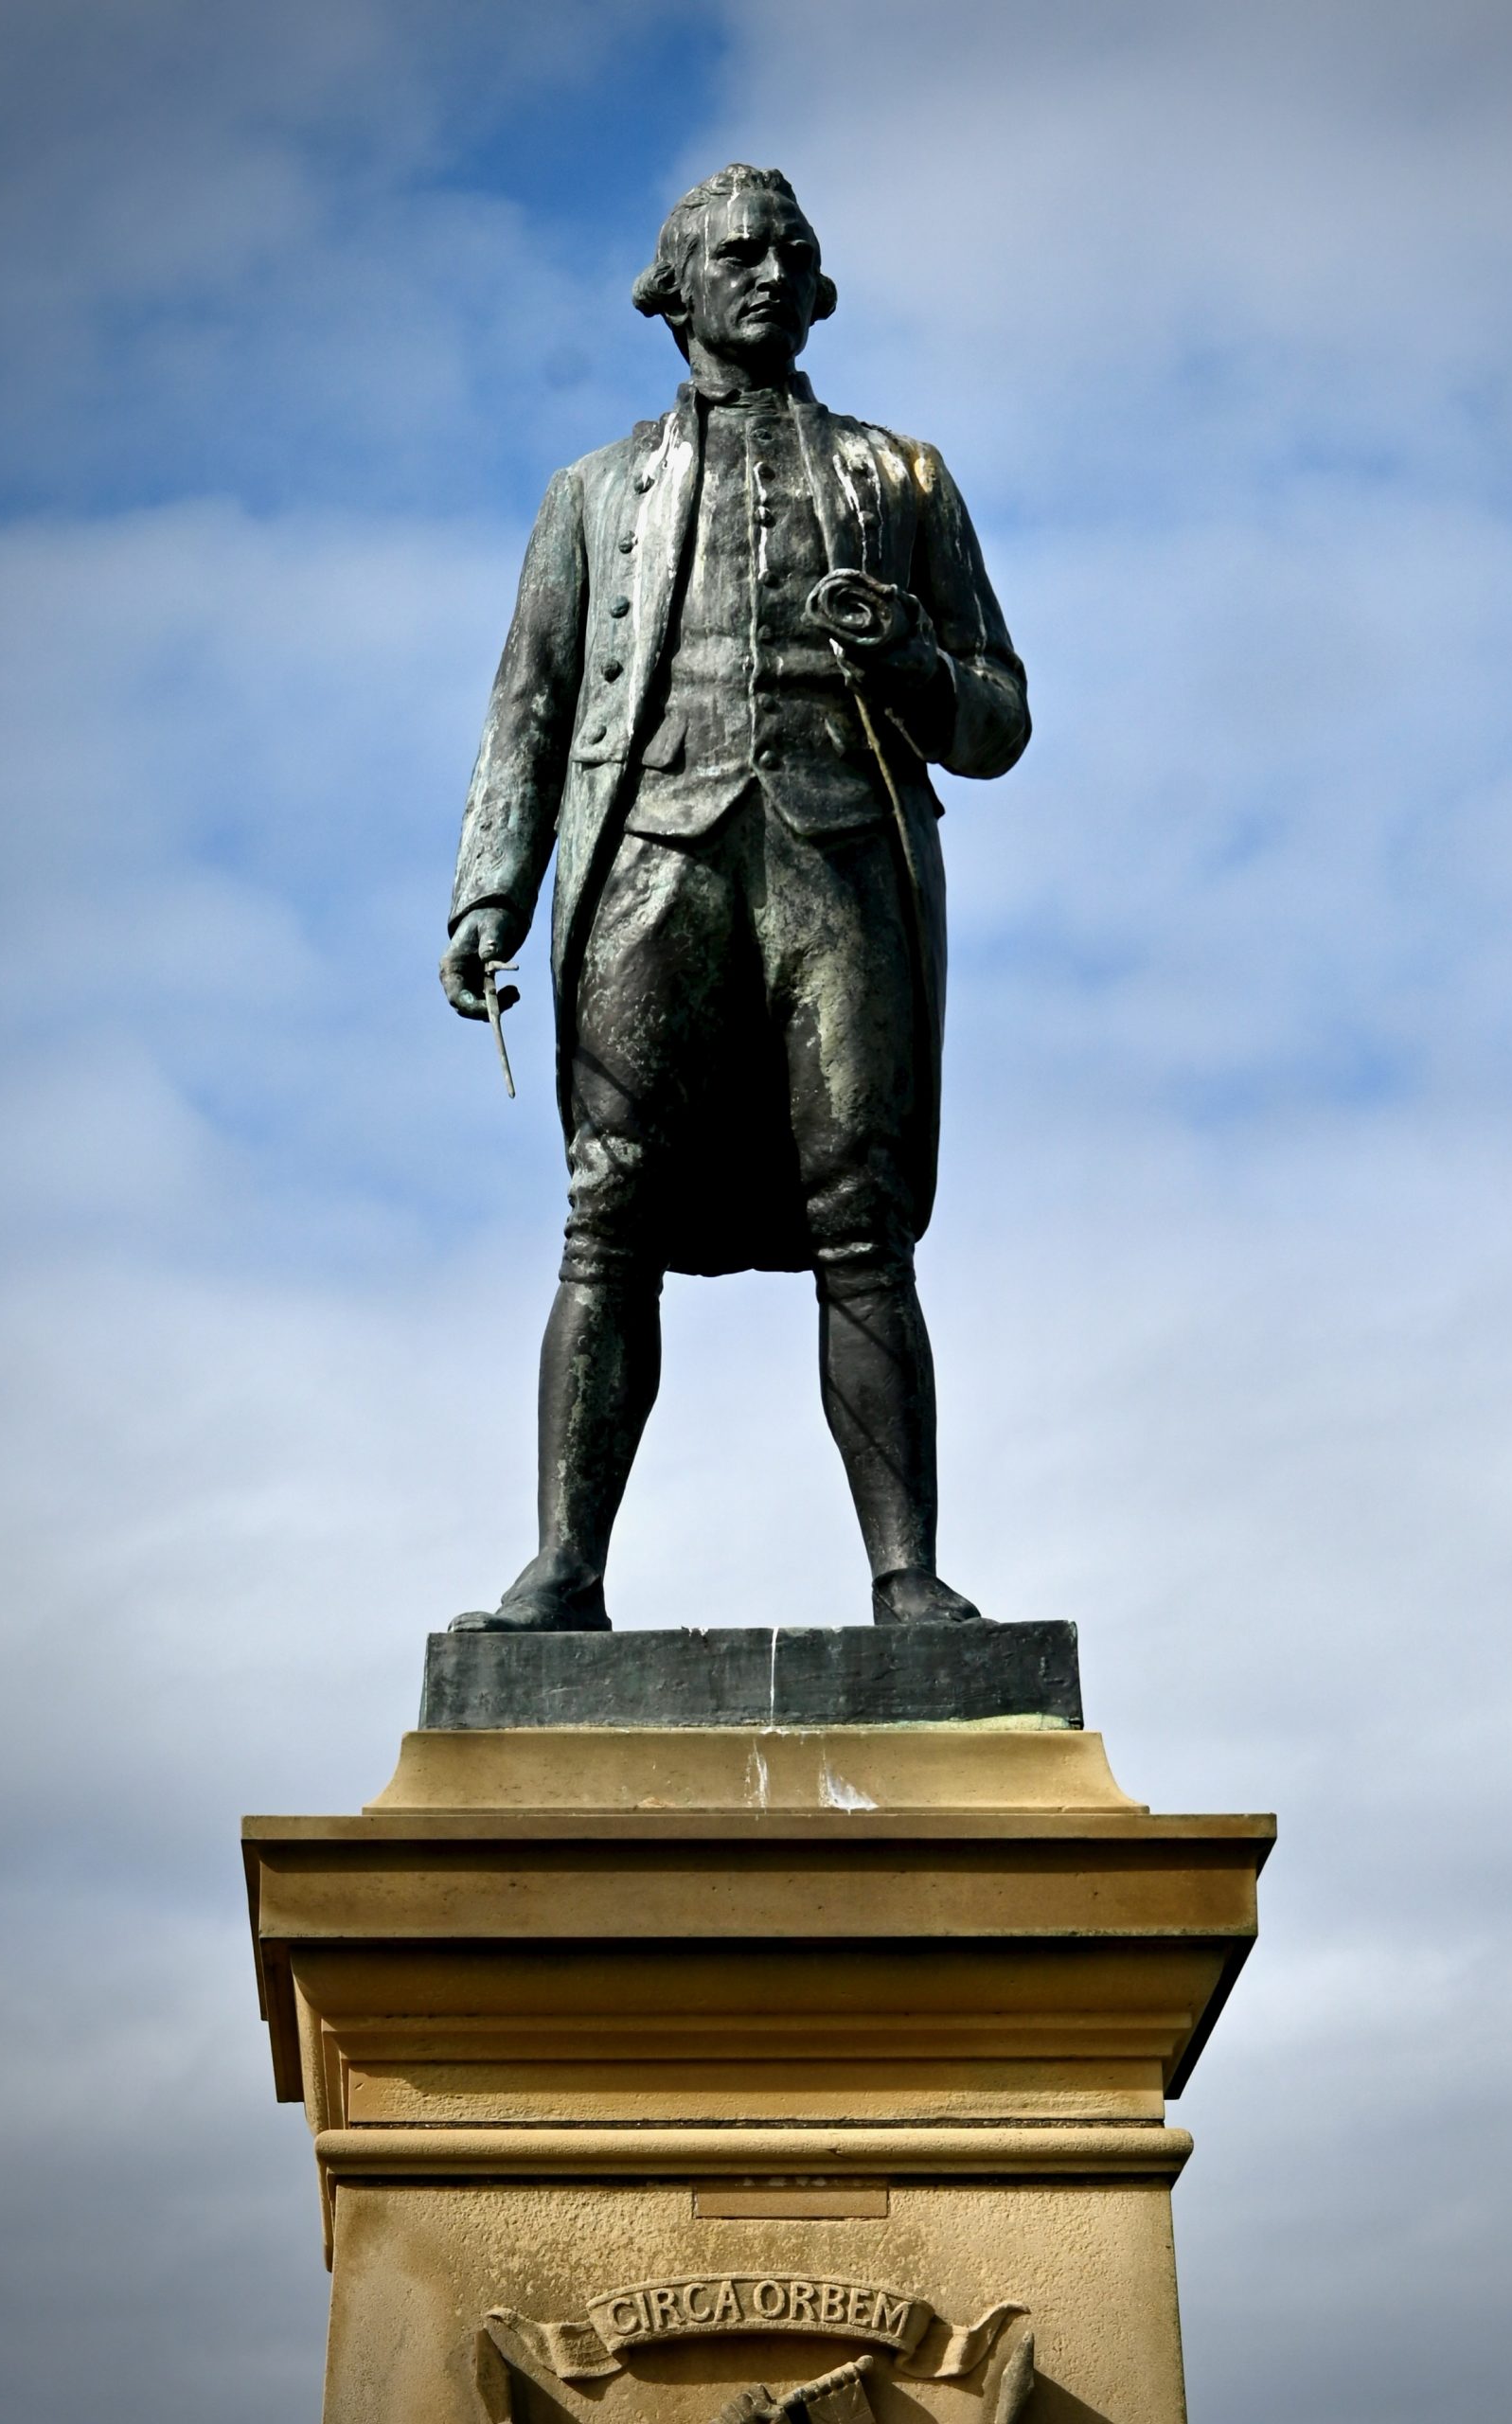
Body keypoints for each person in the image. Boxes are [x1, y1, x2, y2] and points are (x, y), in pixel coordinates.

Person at [440, 165, 1029, 1631]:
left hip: (840, 867)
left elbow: (1001, 720)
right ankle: (567, 1568)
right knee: (607, 1215)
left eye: (793, 254)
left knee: (864, 1221)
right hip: (652, 862)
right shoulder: (590, 495)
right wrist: (487, 897)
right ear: (677, 290)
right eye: (737, 253)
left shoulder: (907, 481)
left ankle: (907, 1577)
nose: (769, 272)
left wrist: (905, 659)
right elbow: (529, 705)